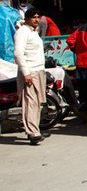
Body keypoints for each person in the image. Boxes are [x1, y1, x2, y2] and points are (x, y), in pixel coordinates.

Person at [13, 8, 49, 145]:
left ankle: (35, 129)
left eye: (37, 17)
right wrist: (26, 73)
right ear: (27, 19)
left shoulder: (33, 32)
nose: (36, 19)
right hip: (30, 71)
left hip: (38, 70)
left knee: (37, 102)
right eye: (33, 17)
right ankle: (32, 132)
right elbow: (18, 54)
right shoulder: (22, 32)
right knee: (30, 102)